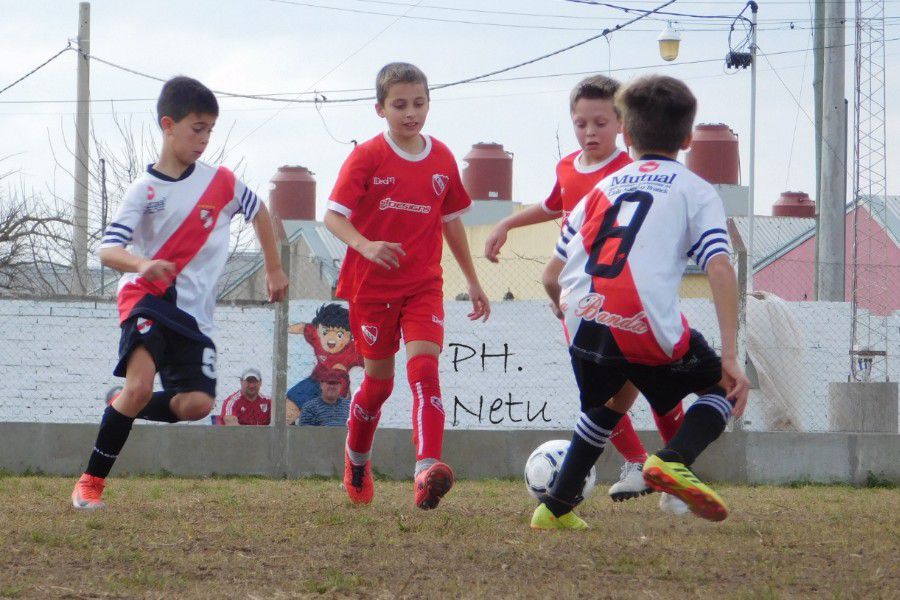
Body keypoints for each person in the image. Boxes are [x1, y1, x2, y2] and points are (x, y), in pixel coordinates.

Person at [531, 74, 750, 530]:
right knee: (723, 389)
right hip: (640, 316)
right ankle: (672, 460)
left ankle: (553, 508)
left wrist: (564, 309)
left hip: (583, 316)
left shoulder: (599, 189)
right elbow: (719, 266)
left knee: (611, 400)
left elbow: (550, 275)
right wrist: (730, 354)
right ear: (688, 137)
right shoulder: (694, 189)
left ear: (626, 134)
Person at [71, 76, 289, 510]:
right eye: (197, 128)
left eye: (210, 129)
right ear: (168, 125)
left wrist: (274, 266)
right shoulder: (143, 190)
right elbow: (108, 250)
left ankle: (120, 406)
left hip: (195, 317)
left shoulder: (222, 183)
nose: (205, 139)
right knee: (139, 386)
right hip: (147, 297)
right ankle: (90, 482)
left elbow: (260, 211)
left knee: (197, 404)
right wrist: (143, 264)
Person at [484, 75, 686, 508]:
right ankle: (636, 463)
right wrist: (506, 224)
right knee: (597, 395)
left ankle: (676, 474)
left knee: (654, 386)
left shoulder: (632, 172)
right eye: (581, 123)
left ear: (622, 125)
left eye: (600, 122)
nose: (590, 132)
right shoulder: (567, 168)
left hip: (629, 298)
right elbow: (553, 204)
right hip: (578, 302)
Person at [324, 62, 490, 510]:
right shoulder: (367, 157)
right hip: (371, 289)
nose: (410, 113)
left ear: (429, 103)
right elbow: (333, 216)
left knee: (425, 372)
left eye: (419, 103)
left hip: (423, 286)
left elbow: (452, 222)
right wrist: (366, 245)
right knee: (378, 385)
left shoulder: (442, 159)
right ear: (380, 109)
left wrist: (473, 281)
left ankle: (426, 471)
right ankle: (356, 459)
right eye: (399, 105)